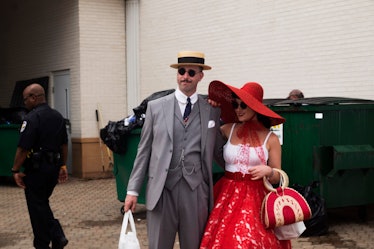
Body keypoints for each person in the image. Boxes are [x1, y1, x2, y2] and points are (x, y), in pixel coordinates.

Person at [123, 51, 225, 249]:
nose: (185, 76)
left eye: (191, 73)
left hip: (196, 190)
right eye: (181, 71)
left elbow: (219, 151)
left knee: (194, 245)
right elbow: (143, 152)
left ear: (200, 76)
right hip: (162, 190)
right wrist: (132, 190)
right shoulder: (155, 107)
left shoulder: (211, 109)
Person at [200, 81, 291, 249]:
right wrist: (213, 110)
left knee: (247, 241)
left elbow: (278, 175)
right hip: (226, 195)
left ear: (254, 107)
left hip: (257, 196)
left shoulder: (271, 139)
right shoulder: (227, 129)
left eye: (243, 105)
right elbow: (203, 134)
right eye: (235, 104)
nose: (238, 109)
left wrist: (269, 171)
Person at [11, 83, 69, 249]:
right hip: (52, 169)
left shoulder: (31, 119)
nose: (24, 103)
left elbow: (23, 149)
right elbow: (64, 145)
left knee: (36, 206)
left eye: (25, 99)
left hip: (37, 170)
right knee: (41, 203)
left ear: (34, 98)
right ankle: (52, 240)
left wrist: (15, 170)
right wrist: (63, 165)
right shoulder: (58, 116)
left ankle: (51, 238)